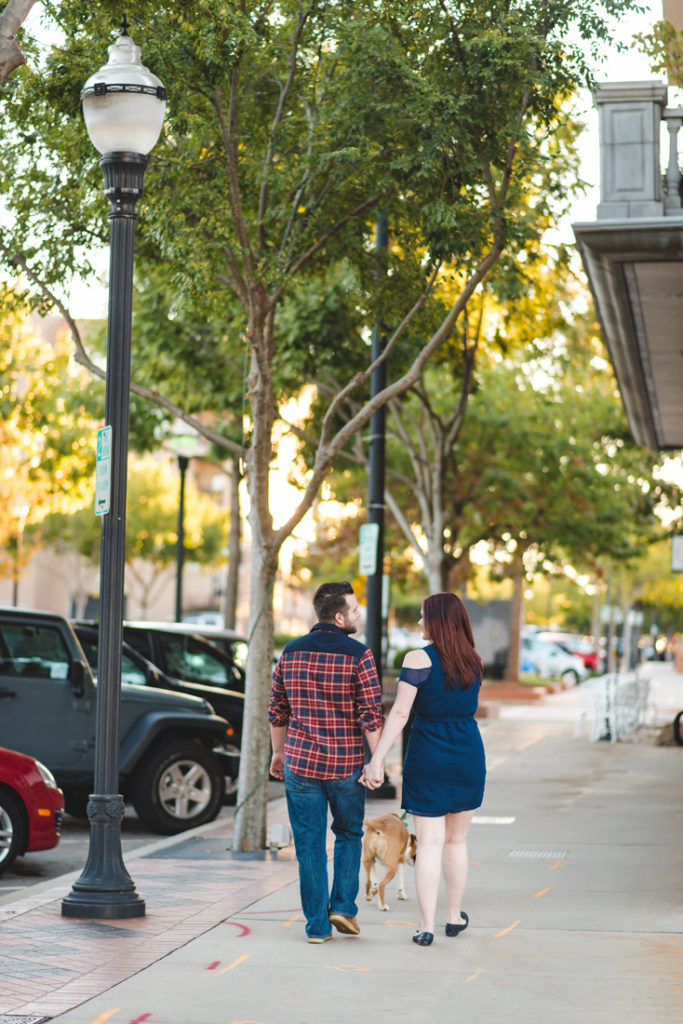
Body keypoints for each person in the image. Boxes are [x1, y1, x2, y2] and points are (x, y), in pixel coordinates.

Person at [362, 592, 485, 947]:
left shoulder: (418, 659)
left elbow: (400, 713)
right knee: (457, 841)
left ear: (437, 621)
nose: (419, 623)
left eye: (422, 617)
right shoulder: (474, 660)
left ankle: (427, 925)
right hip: (468, 752)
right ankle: (454, 917)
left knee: (430, 843)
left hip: (429, 753)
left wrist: (377, 758)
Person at [268, 581, 384, 943]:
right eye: (354, 609)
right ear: (338, 617)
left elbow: (277, 710)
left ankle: (317, 927)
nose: (359, 614)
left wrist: (278, 752)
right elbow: (371, 715)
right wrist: (376, 761)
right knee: (349, 834)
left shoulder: (291, 652)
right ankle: (343, 908)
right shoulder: (359, 655)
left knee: (309, 846)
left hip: (301, 765)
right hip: (346, 766)